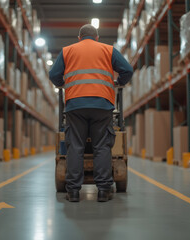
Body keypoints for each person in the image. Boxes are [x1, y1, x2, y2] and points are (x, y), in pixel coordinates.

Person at [49, 24, 133, 202]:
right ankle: (103, 190)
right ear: (97, 38)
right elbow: (128, 70)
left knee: (76, 147)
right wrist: (118, 82)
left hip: (75, 105)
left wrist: (62, 84)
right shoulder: (108, 50)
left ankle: (73, 192)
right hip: (102, 104)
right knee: (102, 146)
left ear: (79, 38)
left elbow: (53, 74)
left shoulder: (67, 51)